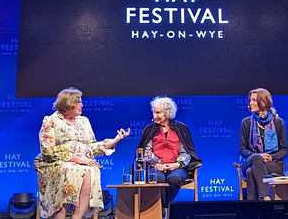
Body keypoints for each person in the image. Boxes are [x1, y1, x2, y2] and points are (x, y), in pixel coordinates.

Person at [34, 88, 130, 219]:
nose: (82, 105)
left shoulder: (83, 121)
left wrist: (112, 142)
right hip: (57, 162)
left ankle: (77, 217)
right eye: (78, 102)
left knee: (92, 171)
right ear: (68, 104)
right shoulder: (51, 121)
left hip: (82, 162)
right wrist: (74, 158)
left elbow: (91, 146)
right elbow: (47, 149)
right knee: (70, 170)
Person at [137, 96, 202, 211]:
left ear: (167, 114)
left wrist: (177, 164)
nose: (154, 115)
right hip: (155, 167)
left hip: (176, 167)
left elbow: (186, 152)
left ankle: (164, 207)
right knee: (159, 180)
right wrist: (157, 163)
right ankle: (164, 210)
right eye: (154, 112)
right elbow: (146, 151)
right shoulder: (150, 129)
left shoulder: (180, 129)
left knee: (174, 179)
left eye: (158, 113)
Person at [239, 88, 288, 200]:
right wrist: (258, 156)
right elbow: (242, 149)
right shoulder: (246, 122)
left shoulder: (278, 123)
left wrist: (271, 157)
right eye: (250, 100)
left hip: (272, 164)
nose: (250, 103)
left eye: (254, 100)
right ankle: (266, 197)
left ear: (264, 103)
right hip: (251, 161)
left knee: (251, 172)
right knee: (256, 158)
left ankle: (254, 207)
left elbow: (284, 150)